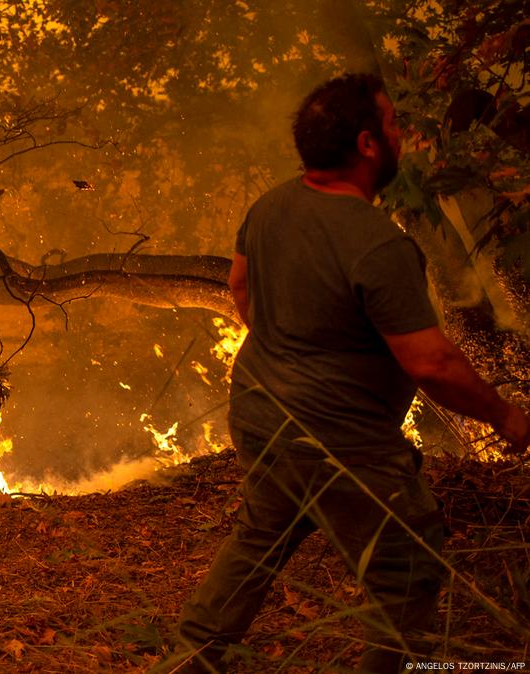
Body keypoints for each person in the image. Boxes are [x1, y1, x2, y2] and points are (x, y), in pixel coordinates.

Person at [174, 73, 530, 673]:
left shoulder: (272, 205)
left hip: (261, 410)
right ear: (368, 145)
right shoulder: (378, 245)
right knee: (409, 569)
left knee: (261, 537)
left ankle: (188, 660)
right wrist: (505, 414)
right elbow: (431, 363)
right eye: (393, 125)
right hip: (341, 441)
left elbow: (239, 285)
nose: (400, 135)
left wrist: (292, 347)